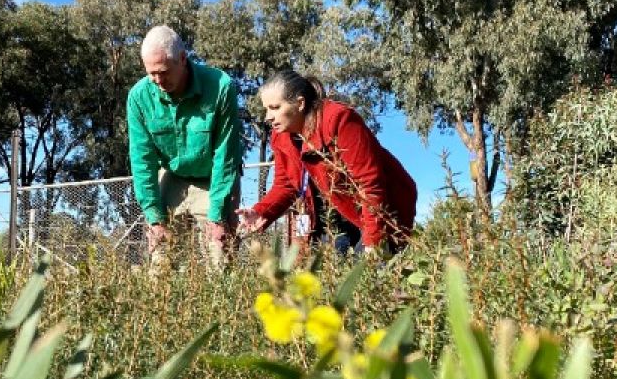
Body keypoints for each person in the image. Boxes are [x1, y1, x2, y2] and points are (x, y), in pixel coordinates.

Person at [237, 69, 417, 255]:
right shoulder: (280, 137)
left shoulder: (339, 119)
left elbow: (370, 183)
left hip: (379, 210)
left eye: (275, 108)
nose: (268, 116)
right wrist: (260, 211)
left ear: (300, 103)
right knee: (325, 277)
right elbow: (286, 184)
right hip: (330, 216)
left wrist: (374, 241)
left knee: (368, 276)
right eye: (266, 108)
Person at [127, 25, 242, 266]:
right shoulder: (139, 96)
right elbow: (142, 160)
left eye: (164, 72)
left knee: (219, 257)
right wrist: (155, 219)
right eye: (151, 74)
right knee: (162, 263)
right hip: (171, 175)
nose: (158, 81)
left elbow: (226, 155)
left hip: (214, 178)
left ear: (182, 59)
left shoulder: (220, 86)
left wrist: (218, 216)